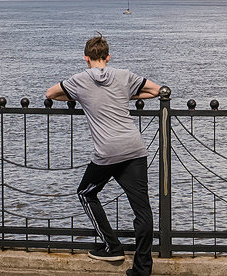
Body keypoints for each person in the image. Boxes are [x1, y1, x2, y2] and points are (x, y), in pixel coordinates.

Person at [46, 34, 161, 276]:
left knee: (86, 193)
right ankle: (142, 270)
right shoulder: (124, 76)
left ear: (86, 58)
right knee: (142, 209)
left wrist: (82, 97)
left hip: (107, 152)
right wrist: (127, 96)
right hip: (134, 148)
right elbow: (156, 91)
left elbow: (51, 94)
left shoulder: (79, 80)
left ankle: (112, 246)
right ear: (108, 57)